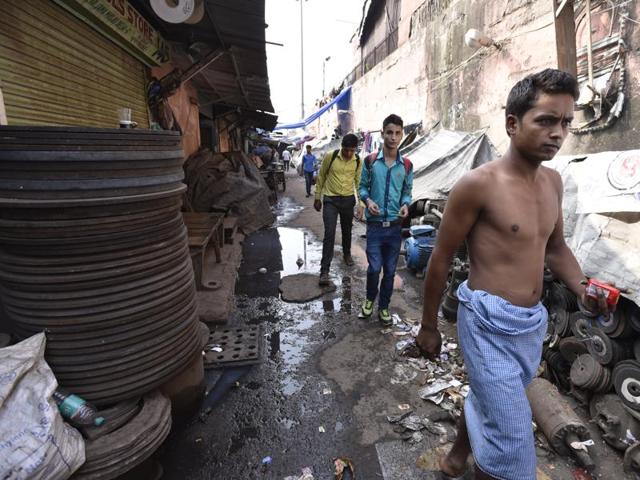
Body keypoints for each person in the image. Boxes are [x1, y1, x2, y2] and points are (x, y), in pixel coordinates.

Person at [416, 69, 613, 480]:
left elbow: (555, 248)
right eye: (545, 120)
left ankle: (456, 457)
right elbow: (440, 257)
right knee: (512, 439)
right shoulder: (477, 185)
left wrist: (582, 287)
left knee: (492, 401)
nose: (558, 133)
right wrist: (428, 326)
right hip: (486, 321)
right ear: (512, 124)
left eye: (565, 123)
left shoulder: (554, 183)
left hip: (529, 324)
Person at [358, 114, 413, 326]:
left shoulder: (406, 165)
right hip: (374, 227)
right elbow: (362, 186)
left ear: (402, 135)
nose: (393, 137)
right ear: (382, 134)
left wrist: (405, 205)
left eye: (398, 133)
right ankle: (370, 300)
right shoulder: (371, 161)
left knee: (390, 272)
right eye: (389, 132)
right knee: (374, 268)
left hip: (394, 228)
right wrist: (367, 200)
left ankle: (383, 308)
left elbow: (407, 191)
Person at [314, 134, 362, 286]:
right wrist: (317, 197)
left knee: (347, 230)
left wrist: (361, 204)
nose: (349, 154)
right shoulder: (331, 156)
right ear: (341, 147)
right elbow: (321, 176)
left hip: (348, 200)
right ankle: (324, 271)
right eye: (346, 150)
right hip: (330, 200)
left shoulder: (358, 160)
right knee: (329, 233)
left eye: (351, 151)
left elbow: (359, 182)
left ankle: (346, 254)